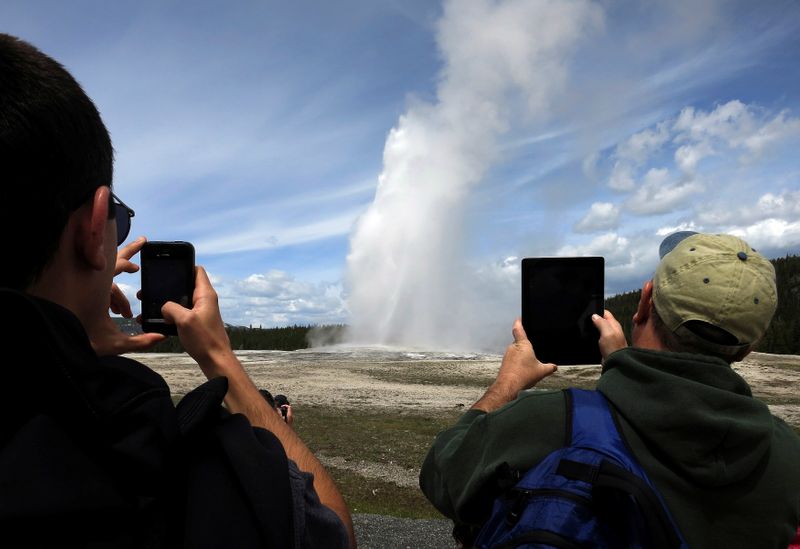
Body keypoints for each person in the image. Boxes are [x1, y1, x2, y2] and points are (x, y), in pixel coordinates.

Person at [0, 33, 355, 548]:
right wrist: (220, 359)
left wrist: (63, 350)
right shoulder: (152, 457)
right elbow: (334, 530)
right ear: (94, 225)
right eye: (117, 221)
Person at [420, 231, 800, 547]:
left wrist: (507, 385)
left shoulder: (548, 421)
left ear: (645, 302)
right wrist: (620, 365)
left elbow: (443, 475)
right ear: (751, 345)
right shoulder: (786, 454)